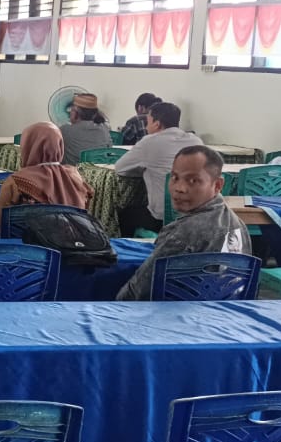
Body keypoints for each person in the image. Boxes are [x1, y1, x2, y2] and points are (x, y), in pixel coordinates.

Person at [117, 146, 250, 300]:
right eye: (175, 177)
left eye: (193, 180)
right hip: (226, 314)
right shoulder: (239, 225)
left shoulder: (184, 233)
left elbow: (139, 291)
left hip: (180, 317)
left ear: (218, 185)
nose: (179, 188)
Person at [0, 122, 94, 236]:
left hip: (29, 250)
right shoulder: (75, 176)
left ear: (27, 146)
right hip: (72, 246)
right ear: (59, 145)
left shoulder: (17, 181)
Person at [114, 102, 204, 236]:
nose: (146, 126)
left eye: (148, 122)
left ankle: (133, 251)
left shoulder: (149, 142)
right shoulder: (196, 141)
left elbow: (120, 168)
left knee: (125, 214)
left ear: (157, 124)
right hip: (196, 213)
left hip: (162, 217)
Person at [58, 93, 111, 165]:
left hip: (72, 174)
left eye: (71, 109)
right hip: (97, 173)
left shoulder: (64, 130)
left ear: (77, 112)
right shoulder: (104, 129)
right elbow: (109, 150)